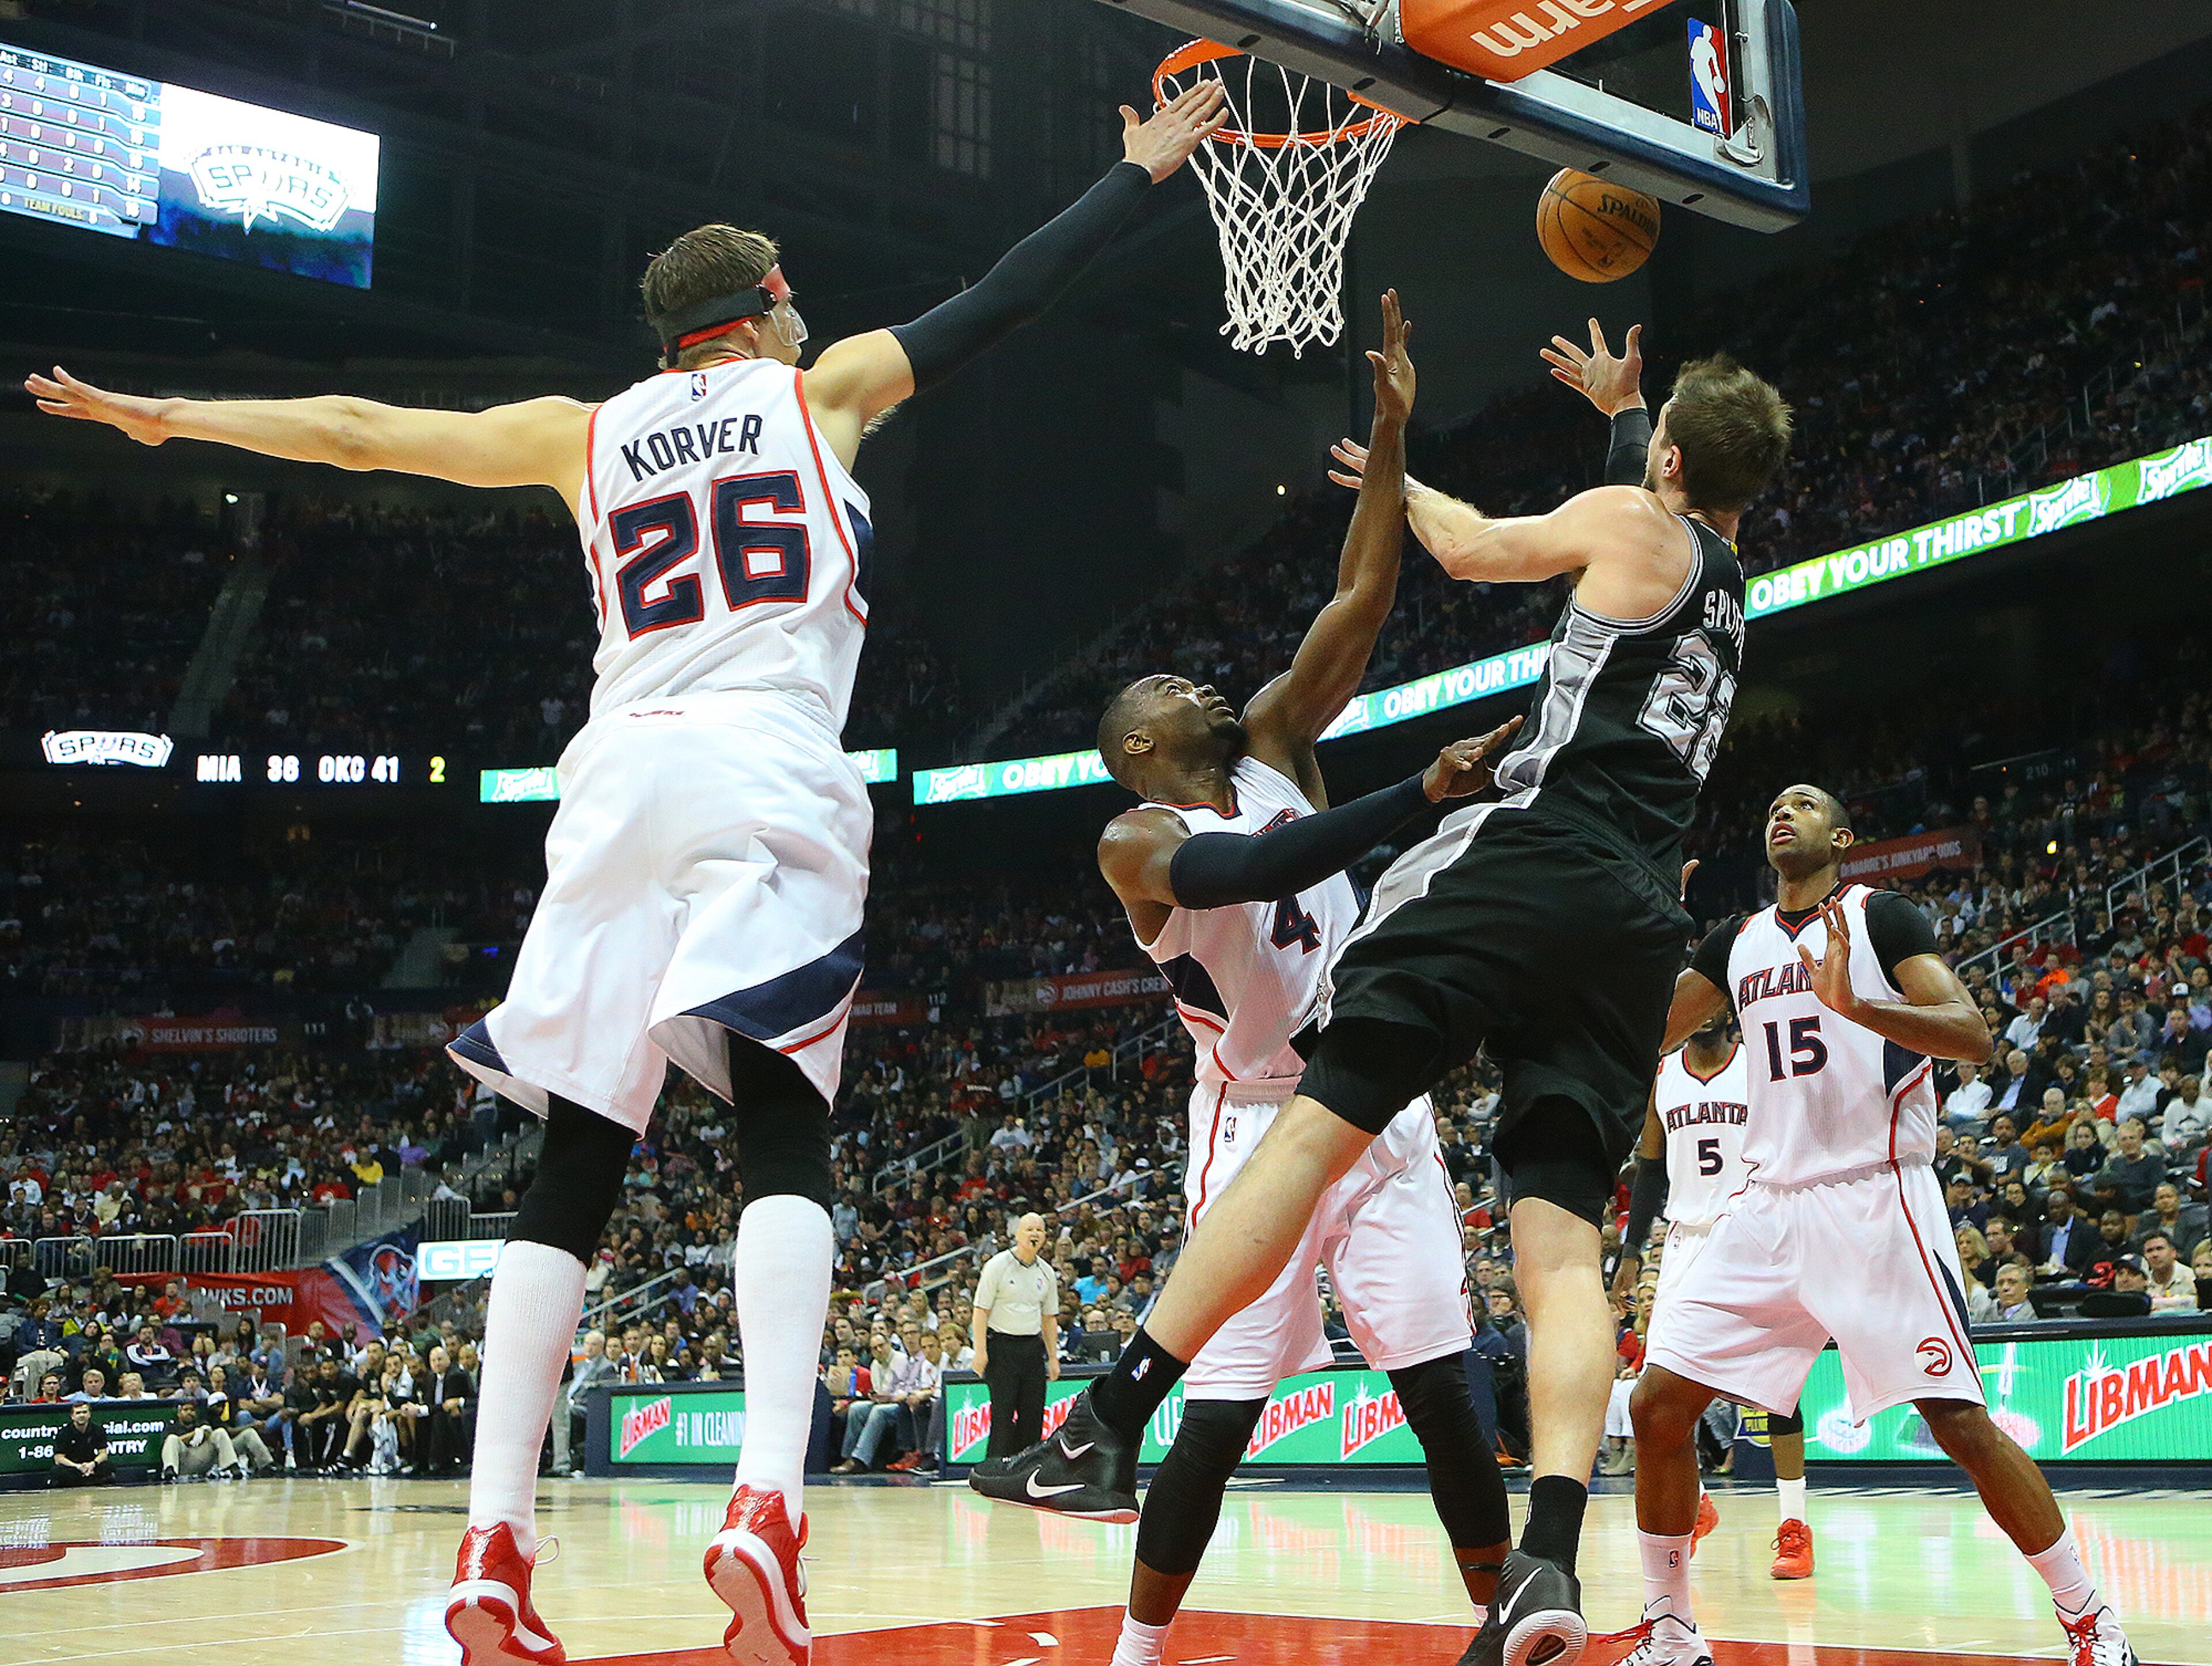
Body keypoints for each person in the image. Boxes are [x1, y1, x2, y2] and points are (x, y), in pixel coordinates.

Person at [28, 82, 1228, 1666]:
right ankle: (763, 1505)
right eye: (793, 298)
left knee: (577, 1161)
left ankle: (489, 1546)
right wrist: (1138, 175)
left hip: (614, 779)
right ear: (764, 313)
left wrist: (169, 419)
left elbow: (364, 434)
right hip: (761, 759)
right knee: (787, 1123)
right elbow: (1006, 298)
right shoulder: (832, 391)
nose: (809, 316)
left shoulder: (579, 432)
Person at [992, 318, 1788, 1666]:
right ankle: (1548, 1556)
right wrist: (1622, 412)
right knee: (1558, 1249)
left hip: (1525, 865)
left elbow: (1479, 552)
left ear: (1658, 456)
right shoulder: (1729, 587)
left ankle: (1107, 1410)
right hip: (1634, 917)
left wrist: (1397, 471)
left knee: (1330, 1129)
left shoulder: (1285, 736)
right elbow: (1644, 537)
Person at [978, 294, 1510, 1661]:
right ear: (1136, 750)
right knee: (1213, 1414)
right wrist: (1413, 793)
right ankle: (1136, 1651)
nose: (1191, 684)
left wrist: (1390, 437)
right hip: (1255, 1123)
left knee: (1444, 1390)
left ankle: (1501, 1625)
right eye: (1161, 688)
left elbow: (1362, 596)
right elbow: (1243, 882)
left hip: (1375, 1098)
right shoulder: (1139, 837)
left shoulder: (1273, 737)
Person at [1621, 784, 2134, 1666]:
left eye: (1806, 803)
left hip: (1875, 1195)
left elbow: (1971, 1033)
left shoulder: (1883, 917)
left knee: (1957, 1420)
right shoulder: (1735, 941)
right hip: (1766, 1204)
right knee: (1658, 1407)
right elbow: (1634, 1032)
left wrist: (1863, 1008)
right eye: (1774, 804)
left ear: (1842, 836)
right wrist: (1642, 925)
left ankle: (2091, 1619)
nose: (1783, 811)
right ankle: (1672, 1634)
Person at [1616, 1012, 1814, 1582]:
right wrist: (1632, 1253)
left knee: (1775, 1395)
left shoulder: (1758, 1066)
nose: (1698, 1012)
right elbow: (1650, 1169)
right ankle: (1696, 1503)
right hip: (1685, 1242)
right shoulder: (1666, 1073)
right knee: (1662, 1391)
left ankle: (1795, 1527)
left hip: (1754, 1232)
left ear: (1729, 1012)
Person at [971, 1214, 1061, 1463]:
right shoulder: (998, 1266)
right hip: (1001, 1346)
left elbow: (1049, 1318)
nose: (1035, 1234)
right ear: (1018, 1234)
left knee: (1033, 1414)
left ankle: (1027, 1469)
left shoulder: (1047, 1272)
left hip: (1032, 1349)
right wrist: (980, 1352)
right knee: (1003, 1413)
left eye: (1040, 1230)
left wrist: (1053, 1357)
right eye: (1029, 1229)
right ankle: (994, 1468)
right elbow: (980, 1311)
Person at [554, 1330, 619, 1476]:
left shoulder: (606, 1367)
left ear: (602, 1347)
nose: (589, 1348)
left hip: (587, 1408)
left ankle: (564, 1461)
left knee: (566, 1414)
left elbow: (602, 1392)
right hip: (569, 1401)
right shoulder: (579, 1365)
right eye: (587, 1344)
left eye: (594, 1344)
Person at [51, 1400, 113, 1487]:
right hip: (73, 1467)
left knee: (108, 1467)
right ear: (72, 1416)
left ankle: (91, 1479)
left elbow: (103, 1454)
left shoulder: (98, 1430)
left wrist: (93, 1464)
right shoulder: (64, 1433)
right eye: (78, 1413)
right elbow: (59, 1458)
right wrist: (78, 1467)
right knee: (57, 1471)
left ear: (90, 1414)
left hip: (91, 1465)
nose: (82, 1416)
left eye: (84, 1412)